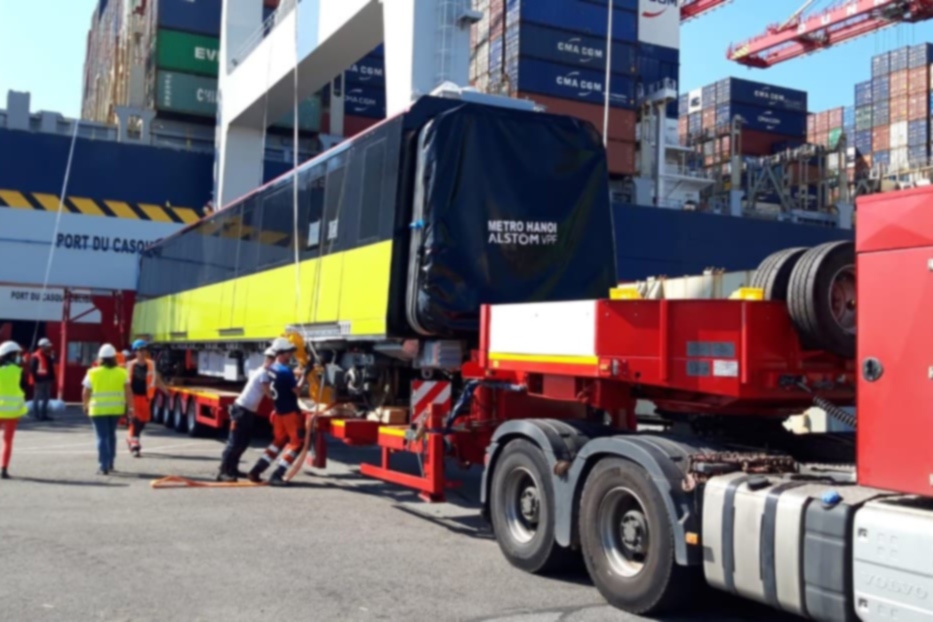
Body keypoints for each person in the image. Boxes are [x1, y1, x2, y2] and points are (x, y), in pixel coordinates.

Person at [247, 338, 307, 486]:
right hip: (291, 413)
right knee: (296, 443)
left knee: (278, 442)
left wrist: (297, 372)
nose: (291, 355)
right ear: (281, 353)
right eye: (289, 352)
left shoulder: (272, 368)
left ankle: (256, 470)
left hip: (279, 411)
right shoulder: (286, 372)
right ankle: (277, 474)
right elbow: (297, 391)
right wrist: (304, 376)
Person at [217, 347, 275, 482]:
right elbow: (268, 394)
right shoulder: (263, 374)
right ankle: (223, 472)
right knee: (234, 442)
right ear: (269, 361)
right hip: (241, 410)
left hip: (247, 411)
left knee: (243, 442)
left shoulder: (262, 372)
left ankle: (233, 469)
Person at [82, 344, 132, 475]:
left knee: (102, 437)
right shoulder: (122, 372)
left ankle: (103, 465)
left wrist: (85, 405)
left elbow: (86, 392)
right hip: (115, 409)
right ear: (114, 358)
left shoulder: (92, 372)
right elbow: (128, 392)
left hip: (98, 410)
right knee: (111, 435)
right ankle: (110, 463)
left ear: (100, 358)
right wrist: (131, 407)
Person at [125, 339, 167, 458]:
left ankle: (132, 439)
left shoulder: (151, 364)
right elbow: (125, 383)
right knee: (135, 420)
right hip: (133, 397)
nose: (143, 353)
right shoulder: (130, 365)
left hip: (146, 398)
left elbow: (156, 379)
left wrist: (165, 390)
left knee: (143, 420)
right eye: (140, 350)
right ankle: (135, 443)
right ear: (135, 352)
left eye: (144, 350)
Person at [0, 341, 28, 480]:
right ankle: (3, 469)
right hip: (12, 412)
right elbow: (23, 389)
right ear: (11, 355)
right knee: (7, 441)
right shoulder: (18, 371)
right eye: (17, 354)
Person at [30, 337, 56, 421]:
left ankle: (44, 415)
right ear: (41, 346)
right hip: (39, 381)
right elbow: (32, 369)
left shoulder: (48, 356)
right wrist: (36, 379)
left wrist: (52, 378)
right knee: (37, 398)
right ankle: (36, 415)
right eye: (47, 346)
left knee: (46, 398)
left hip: (47, 380)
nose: (49, 347)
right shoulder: (36, 356)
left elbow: (50, 367)